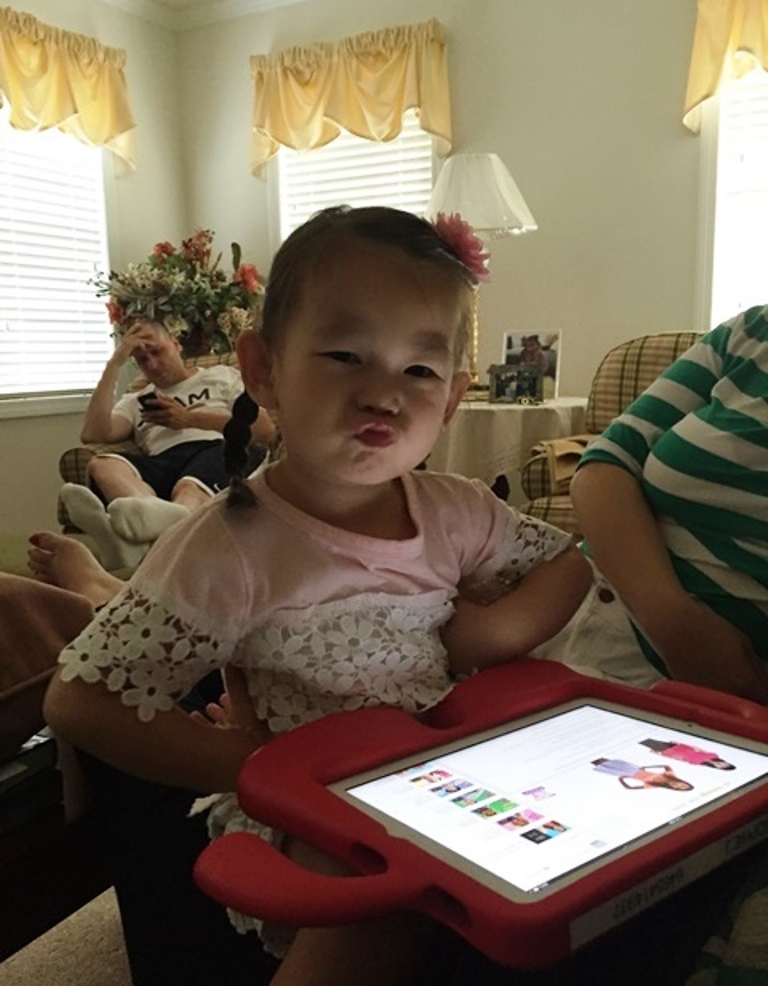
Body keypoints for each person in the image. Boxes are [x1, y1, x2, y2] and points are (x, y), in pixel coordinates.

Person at [43, 205, 592, 986]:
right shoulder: (230, 543)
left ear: (452, 398)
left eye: (420, 371)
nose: (384, 396)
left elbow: (567, 562)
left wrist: (494, 632)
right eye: (345, 355)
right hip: (319, 808)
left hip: (444, 774)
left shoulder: (458, 509)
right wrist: (246, 760)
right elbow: (80, 700)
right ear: (263, 368)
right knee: (380, 900)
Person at [545, 305, 768, 706]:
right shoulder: (753, 331)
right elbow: (605, 464)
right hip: (559, 613)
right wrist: (673, 621)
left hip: (701, 697)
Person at [60, 318, 276, 571]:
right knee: (102, 465)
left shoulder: (221, 376)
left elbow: (264, 430)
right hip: (162, 461)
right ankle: (146, 526)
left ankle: (129, 543)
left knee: (187, 487)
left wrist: (189, 419)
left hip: (215, 448)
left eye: (157, 351)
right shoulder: (135, 400)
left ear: (176, 344)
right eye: (142, 359)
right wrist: (114, 363)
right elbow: (92, 433)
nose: (152, 364)